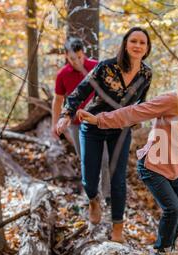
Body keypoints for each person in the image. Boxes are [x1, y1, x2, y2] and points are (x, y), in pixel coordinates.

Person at [77, 49, 178, 255]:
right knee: (173, 209)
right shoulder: (172, 100)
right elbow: (135, 112)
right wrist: (100, 119)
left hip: (174, 169)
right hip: (152, 166)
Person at [56, 27, 153, 243]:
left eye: (142, 43)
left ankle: (117, 229)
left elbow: (141, 102)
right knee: (90, 178)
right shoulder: (106, 67)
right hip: (92, 126)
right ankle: (93, 200)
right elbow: (80, 91)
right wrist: (65, 115)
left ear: (147, 48)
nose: (137, 46)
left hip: (120, 130)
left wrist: (137, 120)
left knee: (118, 180)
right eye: (133, 41)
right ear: (125, 44)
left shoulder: (146, 74)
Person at [51, 37, 110, 202]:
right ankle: (92, 196)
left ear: (83, 53)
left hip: (99, 121)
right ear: (66, 56)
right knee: (86, 160)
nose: (77, 61)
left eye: (79, 57)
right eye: (72, 58)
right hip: (77, 125)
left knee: (105, 159)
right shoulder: (62, 74)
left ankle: (107, 195)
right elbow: (57, 100)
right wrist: (55, 123)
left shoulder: (97, 67)